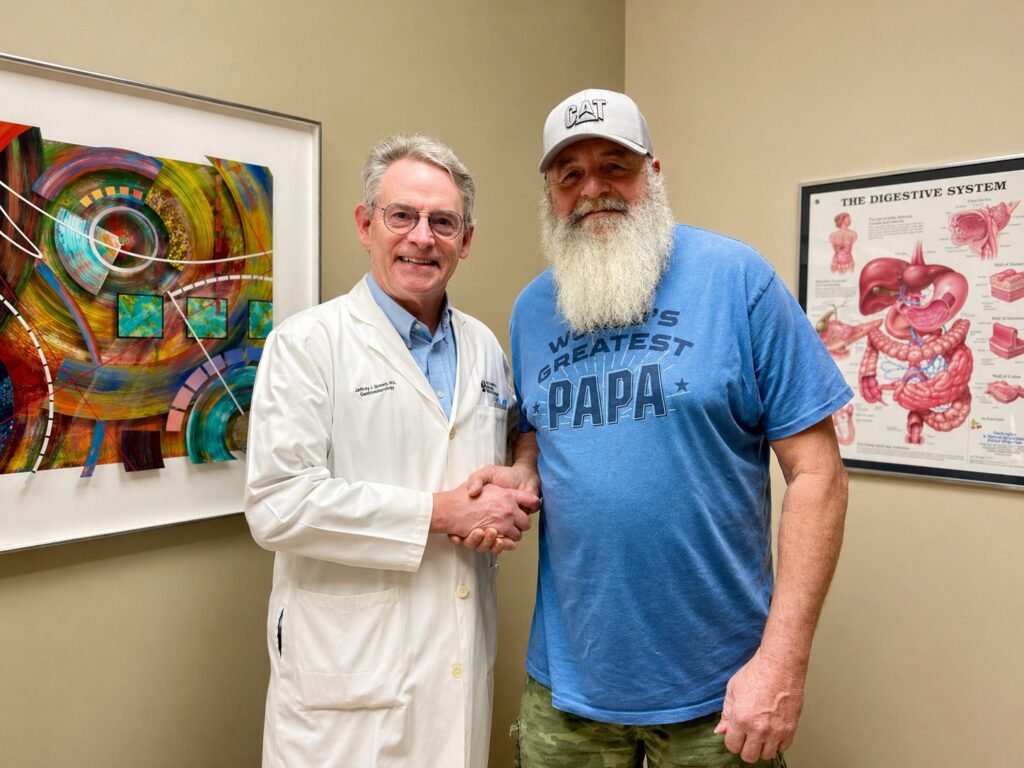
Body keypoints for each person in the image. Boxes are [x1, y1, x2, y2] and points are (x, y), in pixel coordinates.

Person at [467, 89, 852, 767]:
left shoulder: (738, 281)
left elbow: (818, 473)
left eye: (615, 165)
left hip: (722, 688)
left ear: (654, 172)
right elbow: (536, 425)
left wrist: (783, 662)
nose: (593, 189)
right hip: (567, 685)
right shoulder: (533, 309)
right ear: (550, 192)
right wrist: (525, 466)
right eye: (570, 174)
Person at [244, 134, 540, 768]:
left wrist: (519, 474)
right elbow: (277, 504)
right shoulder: (308, 344)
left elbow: (519, 431)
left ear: (466, 239)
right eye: (401, 215)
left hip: (457, 654)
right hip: (346, 676)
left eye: (443, 222)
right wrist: (441, 513)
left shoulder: (485, 346)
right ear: (365, 224)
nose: (421, 237)